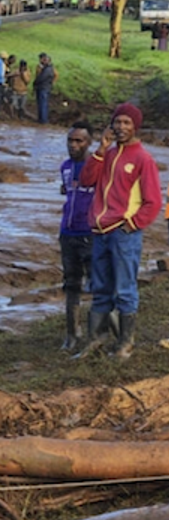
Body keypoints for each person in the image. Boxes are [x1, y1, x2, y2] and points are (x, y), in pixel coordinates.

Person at [75, 104, 162, 360]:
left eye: (126, 123)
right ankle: (96, 340)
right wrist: (100, 150)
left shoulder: (143, 159)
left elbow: (153, 201)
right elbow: (87, 180)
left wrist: (132, 224)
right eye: (117, 122)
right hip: (100, 231)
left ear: (135, 126)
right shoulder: (109, 155)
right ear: (111, 125)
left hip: (124, 233)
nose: (121, 127)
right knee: (100, 288)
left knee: (125, 288)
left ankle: (125, 345)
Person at [59, 123, 95, 351]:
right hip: (67, 234)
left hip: (91, 235)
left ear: (89, 143)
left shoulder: (97, 167)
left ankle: (98, 334)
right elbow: (66, 192)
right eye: (71, 140)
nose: (73, 145)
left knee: (97, 286)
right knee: (71, 285)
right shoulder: (64, 167)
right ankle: (72, 334)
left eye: (79, 141)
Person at [34, 52, 58, 124]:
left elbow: (41, 78)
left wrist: (35, 83)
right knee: (42, 103)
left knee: (43, 104)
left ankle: (43, 120)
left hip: (43, 87)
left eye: (44, 60)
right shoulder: (44, 68)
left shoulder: (48, 69)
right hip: (45, 87)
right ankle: (41, 118)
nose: (42, 61)